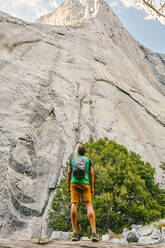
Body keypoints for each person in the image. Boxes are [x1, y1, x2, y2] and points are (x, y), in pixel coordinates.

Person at [67, 145, 99, 242]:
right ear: (84, 152)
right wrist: (92, 187)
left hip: (74, 184)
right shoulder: (88, 160)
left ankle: (75, 233)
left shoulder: (73, 160)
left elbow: (68, 172)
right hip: (85, 184)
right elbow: (92, 174)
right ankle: (94, 233)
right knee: (88, 205)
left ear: (78, 152)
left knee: (74, 204)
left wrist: (68, 186)